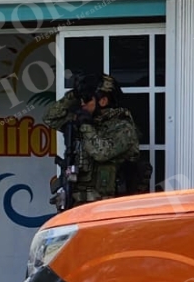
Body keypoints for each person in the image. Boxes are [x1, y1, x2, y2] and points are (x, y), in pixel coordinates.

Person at [43, 72, 149, 209]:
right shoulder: (83, 121)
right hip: (77, 203)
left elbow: (101, 153)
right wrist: (73, 95)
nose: (82, 104)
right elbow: (50, 118)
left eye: (87, 99)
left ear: (103, 101)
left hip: (107, 206)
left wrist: (86, 126)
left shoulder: (123, 128)